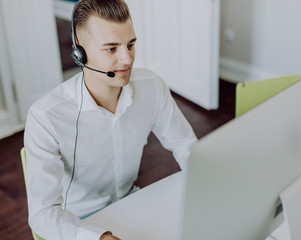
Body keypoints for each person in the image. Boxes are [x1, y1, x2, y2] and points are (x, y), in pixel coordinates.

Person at [23, 0, 197, 239]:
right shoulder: (45, 117)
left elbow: (187, 147)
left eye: (131, 44)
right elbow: (43, 213)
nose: (127, 59)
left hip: (132, 202)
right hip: (77, 224)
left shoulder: (151, 86)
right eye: (111, 48)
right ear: (79, 52)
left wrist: (210, 187)